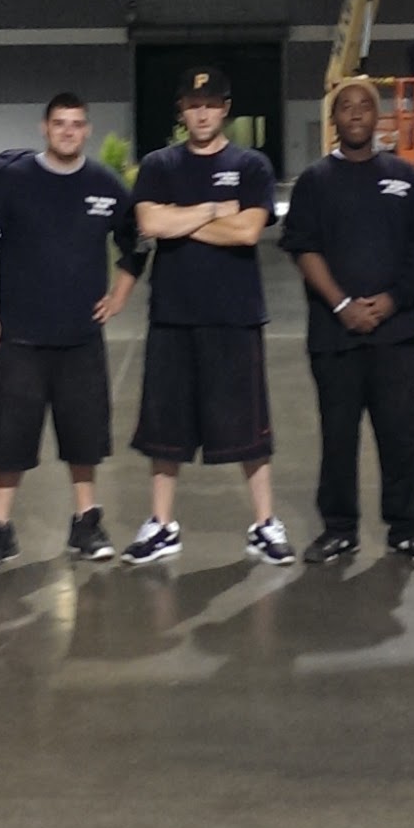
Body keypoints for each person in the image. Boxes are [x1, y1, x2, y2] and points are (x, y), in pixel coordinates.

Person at [0, 93, 147, 571]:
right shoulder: (13, 181)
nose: (68, 131)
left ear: (87, 130)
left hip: (81, 338)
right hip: (19, 338)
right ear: (44, 128)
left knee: (83, 438)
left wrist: (121, 294)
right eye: (60, 123)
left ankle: (86, 523)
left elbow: (136, 241)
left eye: (76, 123)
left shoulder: (105, 185)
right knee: (9, 440)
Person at [122, 64, 294, 568]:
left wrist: (179, 218)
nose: (202, 113)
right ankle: (161, 526)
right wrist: (215, 210)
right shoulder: (159, 164)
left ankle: (265, 524)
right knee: (165, 428)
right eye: (193, 105)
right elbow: (149, 222)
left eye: (211, 105)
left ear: (226, 110)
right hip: (172, 316)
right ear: (182, 110)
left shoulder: (251, 165)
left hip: (234, 317)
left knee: (250, 427)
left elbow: (247, 232)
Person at [280, 80, 414, 568]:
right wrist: (342, 305)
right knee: (338, 437)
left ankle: (407, 529)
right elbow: (303, 248)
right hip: (334, 336)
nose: (355, 114)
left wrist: (391, 302)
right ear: (334, 119)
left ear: (377, 118)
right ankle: (339, 530)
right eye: (345, 107)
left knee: (401, 434)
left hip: (396, 336)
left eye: (364, 106)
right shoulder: (314, 181)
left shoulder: (404, 178)